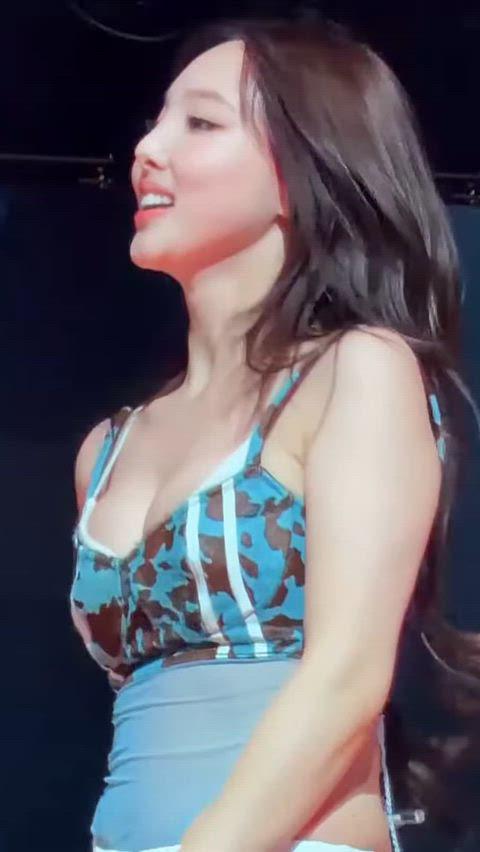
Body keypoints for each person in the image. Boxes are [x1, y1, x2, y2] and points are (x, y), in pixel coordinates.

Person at [70, 14, 480, 852]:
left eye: (201, 123)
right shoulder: (106, 450)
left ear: (300, 170)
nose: (147, 149)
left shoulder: (355, 372)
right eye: (155, 120)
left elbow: (346, 678)